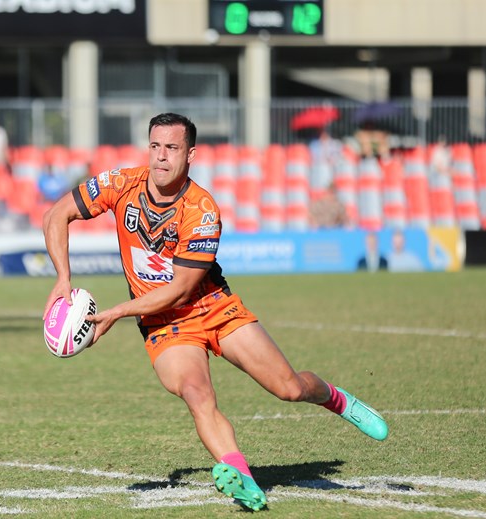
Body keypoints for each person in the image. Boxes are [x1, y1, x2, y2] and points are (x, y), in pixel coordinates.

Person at [42, 113, 388, 512]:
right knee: (197, 393)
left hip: (214, 308)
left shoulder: (201, 208)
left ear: (190, 154)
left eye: (171, 148)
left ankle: (338, 400)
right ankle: (242, 479)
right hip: (164, 325)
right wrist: (63, 278)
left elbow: (182, 289)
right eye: (154, 146)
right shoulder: (122, 183)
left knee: (288, 387)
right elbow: (56, 214)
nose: (160, 157)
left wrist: (117, 311)